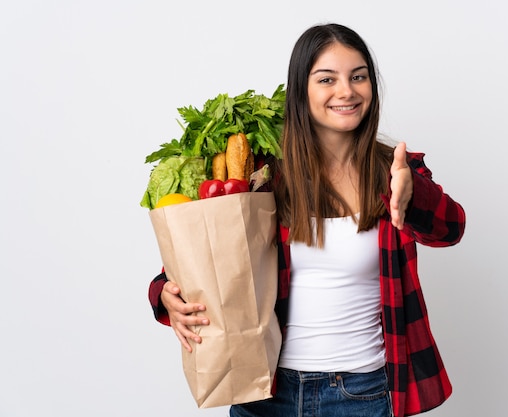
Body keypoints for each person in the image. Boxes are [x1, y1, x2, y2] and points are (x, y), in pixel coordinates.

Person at [148, 23, 466, 417]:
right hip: (265, 391)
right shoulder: (263, 178)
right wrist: (164, 293)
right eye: (327, 79)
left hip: (364, 393)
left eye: (358, 77)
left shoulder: (396, 170)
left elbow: (450, 229)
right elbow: (201, 257)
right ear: (301, 90)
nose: (346, 91)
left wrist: (413, 194)